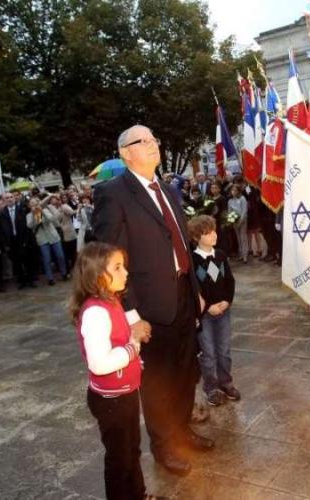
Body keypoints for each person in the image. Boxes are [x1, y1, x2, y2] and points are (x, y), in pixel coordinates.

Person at [93, 125, 212, 477]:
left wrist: (196, 290)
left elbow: (181, 246)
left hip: (183, 296)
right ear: (125, 153)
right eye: (143, 141)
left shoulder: (168, 189)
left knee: (186, 370)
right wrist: (129, 313)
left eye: (155, 139)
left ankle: (183, 431)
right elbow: (110, 257)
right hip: (147, 305)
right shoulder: (113, 194)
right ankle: (164, 446)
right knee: (159, 380)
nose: (153, 145)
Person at [69, 242, 152, 500]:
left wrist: (135, 329)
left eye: (124, 266)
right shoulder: (95, 312)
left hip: (124, 394)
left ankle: (138, 495)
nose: (126, 272)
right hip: (110, 400)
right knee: (119, 460)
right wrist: (134, 346)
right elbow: (100, 363)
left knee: (132, 451)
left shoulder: (112, 300)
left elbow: (125, 330)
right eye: (117, 267)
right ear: (97, 275)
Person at [187, 215, 239, 407]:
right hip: (205, 315)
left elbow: (229, 281)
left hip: (224, 311)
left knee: (224, 351)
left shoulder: (221, 255)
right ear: (196, 237)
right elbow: (195, 289)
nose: (213, 235)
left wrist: (227, 301)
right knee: (208, 354)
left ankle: (226, 383)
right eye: (207, 233)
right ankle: (211, 388)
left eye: (214, 230)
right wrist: (208, 307)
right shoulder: (192, 261)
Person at [0, 192, 38, 289]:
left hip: (24, 238)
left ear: (15, 198)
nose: (10, 199)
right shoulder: (2, 213)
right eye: (7, 198)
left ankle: (31, 280)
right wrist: (5, 243)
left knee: (28, 260)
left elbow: (35, 220)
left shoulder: (23, 209)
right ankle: (22, 281)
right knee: (17, 262)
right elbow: (2, 229)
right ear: (4, 200)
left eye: (11, 197)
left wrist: (37, 209)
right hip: (12, 240)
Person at [26, 195, 69, 286]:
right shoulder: (29, 215)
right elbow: (31, 225)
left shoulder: (45, 210)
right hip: (42, 239)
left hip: (53, 237)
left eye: (36, 203)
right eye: (32, 204)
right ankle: (50, 278)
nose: (34, 205)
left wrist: (42, 211)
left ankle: (64, 273)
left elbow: (51, 219)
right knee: (47, 259)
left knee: (60, 256)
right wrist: (35, 214)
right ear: (29, 206)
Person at [51, 196, 78, 270]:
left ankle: (75, 267)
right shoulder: (51, 209)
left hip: (69, 233)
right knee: (63, 254)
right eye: (53, 200)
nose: (56, 201)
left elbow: (71, 212)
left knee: (73, 252)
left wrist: (64, 207)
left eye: (57, 199)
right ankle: (66, 270)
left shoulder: (64, 207)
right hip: (59, 234)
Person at [226, 185, 249, 263]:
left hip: (242, 220)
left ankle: (245, 255)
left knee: (243, 237)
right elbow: (229, 211)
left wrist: (240, 221)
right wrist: (231, 220)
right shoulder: (230, 201)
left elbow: (244, 211)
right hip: (234, 221)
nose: (233, 192)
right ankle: (241, 254)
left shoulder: (242, 198)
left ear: (238, 191)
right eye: (232, 190)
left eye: (235, 190)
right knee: (238, 237)